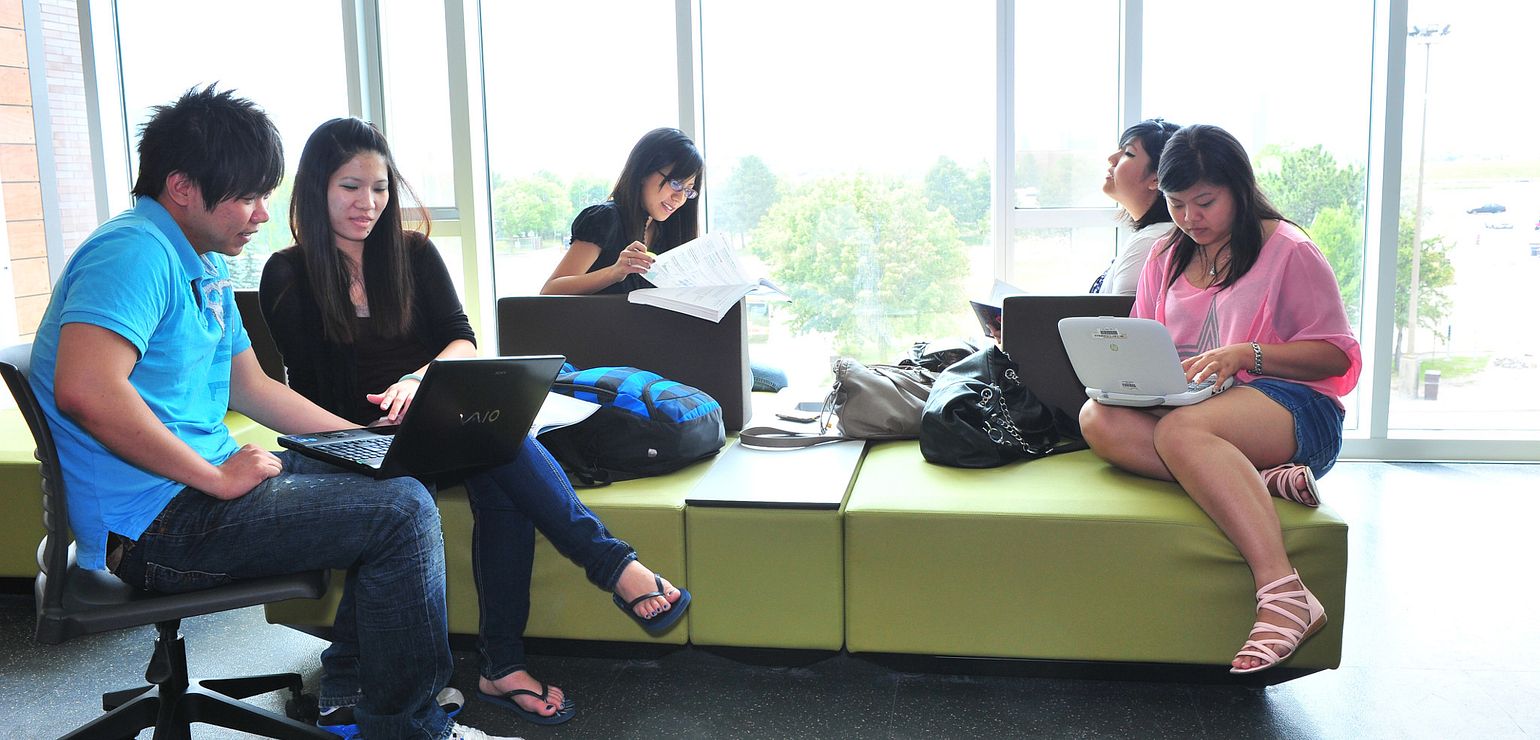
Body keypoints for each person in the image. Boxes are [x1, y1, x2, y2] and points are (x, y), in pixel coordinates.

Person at [28, 86, 511, 739]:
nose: (262, 213)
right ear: (182, 186)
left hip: (184, 497)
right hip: (152, 526)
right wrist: (215, 476)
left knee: (399, 475)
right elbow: (85, 388)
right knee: (399, 512)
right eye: (248, 195)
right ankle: (408, 728)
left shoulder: (197, 263)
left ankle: (359, 698)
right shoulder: (134, 253)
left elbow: (251, 387)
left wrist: (361, 438)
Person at [260, 117, 690, 727]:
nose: (368, 204)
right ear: (315, 189)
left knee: (501, 447)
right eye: (350, 187)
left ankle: (510, 656)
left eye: (380, 188)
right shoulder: (287, 272)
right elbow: (311, 389)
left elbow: (461, 341)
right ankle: (593, 585)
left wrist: (419, 382)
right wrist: (376, 431)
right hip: (350, 439)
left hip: (433, 420)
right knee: (498, 460)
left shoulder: (412, 252)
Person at [1076, 124, 1361, 674]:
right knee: (1099, 419)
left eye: (1205, 202)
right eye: (1177, 204)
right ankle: (1263, 476)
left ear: (1238, 188)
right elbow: (1147, 340)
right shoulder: (1165, 254)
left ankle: (1284, 594)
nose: (1190, 217)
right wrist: (1134, 383)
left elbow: (1335, 357)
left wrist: (1248, 354)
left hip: (1293, 405)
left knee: (1182, 433)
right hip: (1200, 406)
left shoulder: (1290, 251)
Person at [540, 127, 788, 391]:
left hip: (666, 344)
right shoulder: (605, 218)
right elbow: (550, 290)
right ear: (644, 171)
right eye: (676, 183)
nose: (679, 198)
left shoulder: (668, 230)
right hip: (622, 355)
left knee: (776, 378)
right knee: (746, 379)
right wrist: (614, 271)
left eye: (689, 190)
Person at [1090, 118, 1181, 295]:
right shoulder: (1153, 234)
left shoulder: (1152, 240)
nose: (1112, 158)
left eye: (1128, 153)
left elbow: (1121, 319)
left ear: (1156, 179)